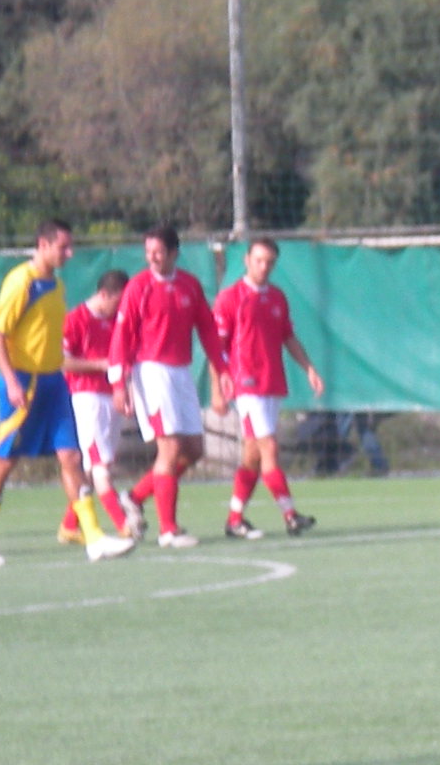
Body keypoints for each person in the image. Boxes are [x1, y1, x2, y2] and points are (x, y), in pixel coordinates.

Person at [0, 221, 136, 567]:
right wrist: (12, 382)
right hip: (24, 383)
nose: (69, 254)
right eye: (63, 247)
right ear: (43, 245)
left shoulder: (56, 285)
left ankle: (93, 537)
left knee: (72, 459)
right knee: (6, 459)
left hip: (54, 384)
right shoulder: (22, 282)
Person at [109, 224, 225, 550]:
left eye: (158, 252)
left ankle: (135, 496)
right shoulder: (138, 287)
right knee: (170, 450)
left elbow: (208, 329)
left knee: (194, 450)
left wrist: (223, 368)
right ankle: (168, 531)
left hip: (181, 372)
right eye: (148, 252)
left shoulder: (189, 285)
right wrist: (119, 385)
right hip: (151, 373)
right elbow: (122, 338)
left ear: (175, 253)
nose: (152, 258)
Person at [215, 237, 324, 539]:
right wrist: (218, 386)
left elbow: (288, 337)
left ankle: (234, 519)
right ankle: (290, 515)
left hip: (272, 382)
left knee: (251, 455)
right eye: (259, 260)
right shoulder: (230, 298)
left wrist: (309, 368)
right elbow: (217, 347)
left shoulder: (277, 297)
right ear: (247, 260)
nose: (264, 267)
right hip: (246, 384)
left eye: (270, 262)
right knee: (268, 448)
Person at [59, 268, 134, 543]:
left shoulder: (118, 321)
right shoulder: (75, 319)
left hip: (111, 397)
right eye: (119, 301)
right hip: (86, 398)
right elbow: (61, 360)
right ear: (104, 295)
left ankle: (69, 525)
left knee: (96, 466)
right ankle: (124, 525)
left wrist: (127, 392)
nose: (122, 308)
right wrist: (99, 365)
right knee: (98, 464)